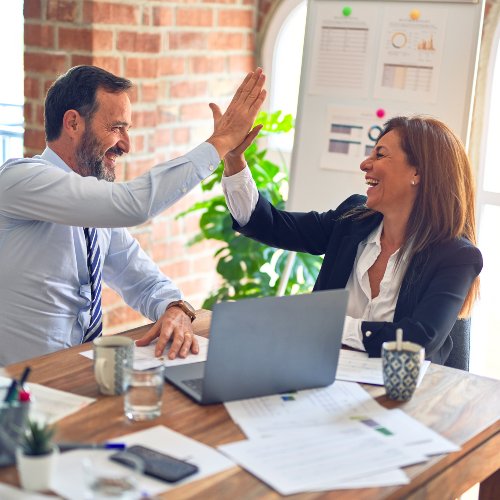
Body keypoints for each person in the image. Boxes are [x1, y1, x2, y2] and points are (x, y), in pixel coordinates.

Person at [0, 65, 266, 367]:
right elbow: (132, 204)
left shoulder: (93, 206)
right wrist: (220, 143)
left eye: (128, 129)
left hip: (78, 375)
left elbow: (142, 279)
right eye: (116, 128)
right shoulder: (20, 179)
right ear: (73, 123)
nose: (127, 145)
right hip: (19, 389)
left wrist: (175, 307)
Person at [221, 115, 482, 365]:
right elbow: (270, 225)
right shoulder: (352, 220)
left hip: (404, 397)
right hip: (322, 377)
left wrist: (329, 325)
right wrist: (234, 159)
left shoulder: (456, 256)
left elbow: (418, 340)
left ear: (418, 172)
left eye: (380, 154)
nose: (365, 164)